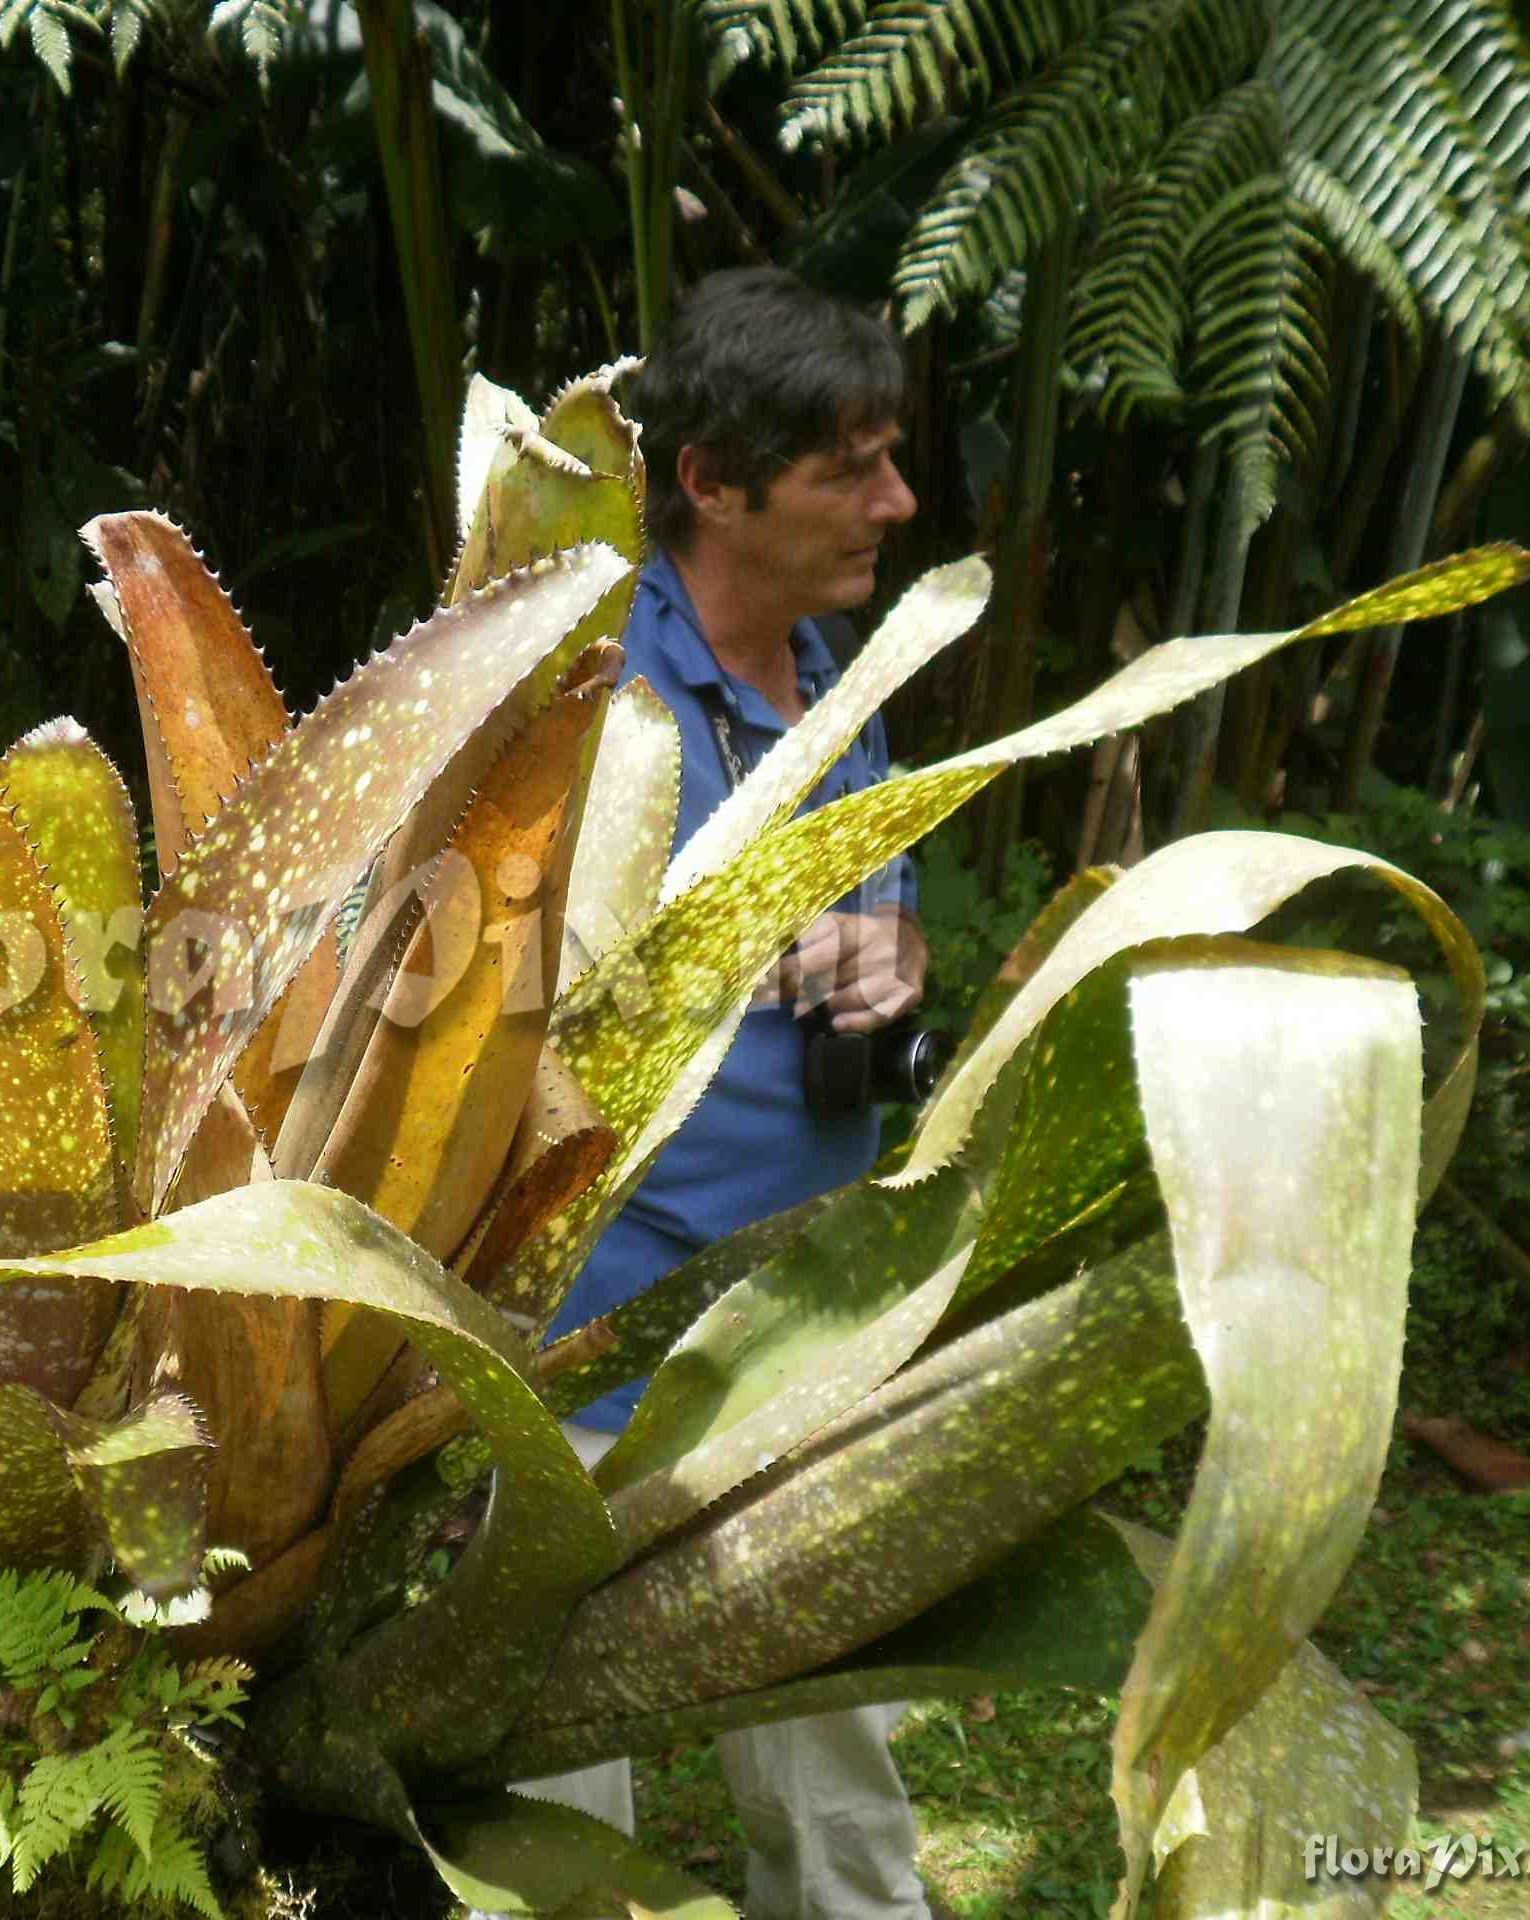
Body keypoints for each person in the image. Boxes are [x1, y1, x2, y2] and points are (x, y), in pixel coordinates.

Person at [533, 267, 938, 1919]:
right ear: (710, 479)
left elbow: (882, 930)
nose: (896, 502)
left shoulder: (843, 676)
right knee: (550, 1790)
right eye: (851, 465)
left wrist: (892, 966)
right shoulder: (580, 685)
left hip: (816, 1331)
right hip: (595, 1343)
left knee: (843, 1778)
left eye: (890, 458)